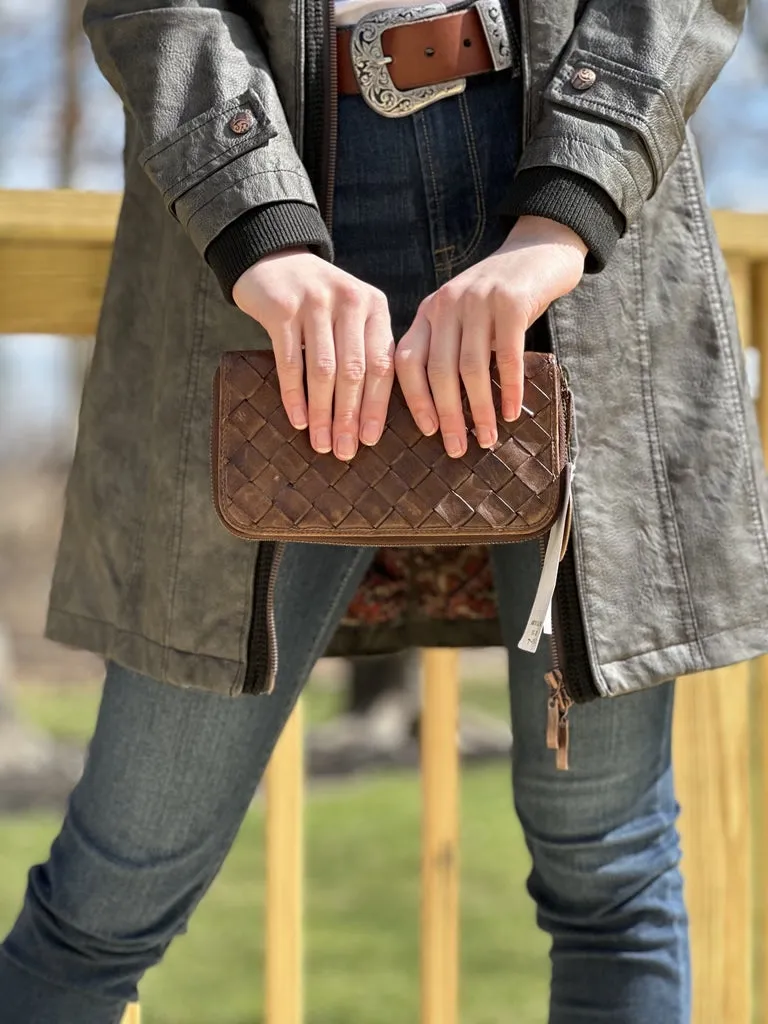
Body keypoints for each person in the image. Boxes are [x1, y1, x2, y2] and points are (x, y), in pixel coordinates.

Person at [1, 0, 766, 1021]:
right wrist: (253, 220)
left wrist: (570, 205)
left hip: (572, 216)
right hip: (262, 233)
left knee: (610, 873)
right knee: (109, 890)